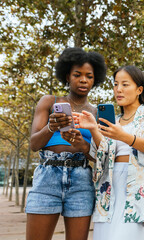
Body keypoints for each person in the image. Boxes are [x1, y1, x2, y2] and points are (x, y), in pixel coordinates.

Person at [73, 65, 144, 239]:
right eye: (115, 84)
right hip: (108, 188)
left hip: (138, 189)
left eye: (125, 84)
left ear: (139, 89)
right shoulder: (114, 120)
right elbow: (101, 155)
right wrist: (93, 129)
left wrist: (125, 137)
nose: (118, 89)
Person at [26, 47, 107, 240]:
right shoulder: (49, 102)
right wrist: (51, 127)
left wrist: (83, 146)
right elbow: (34, 144)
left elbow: (101, 157)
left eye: (89, 76)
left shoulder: (96, 113)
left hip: (81, 180)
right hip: (47, 177)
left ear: (95, 80)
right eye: (77, 75)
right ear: (67, 76)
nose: (83, 80)